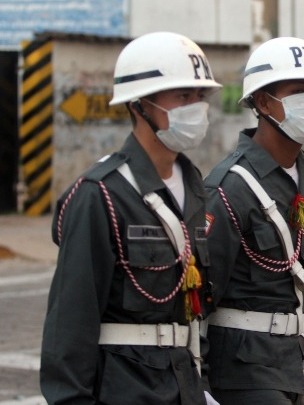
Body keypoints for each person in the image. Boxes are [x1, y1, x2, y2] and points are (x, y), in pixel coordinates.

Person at [40, 32, 221, 404]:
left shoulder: (194, 186)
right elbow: (69, 324)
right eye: (183, 96)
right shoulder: (100, 193)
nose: (197, 107)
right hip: (126, 390)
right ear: (140, 105)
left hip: (183, 388)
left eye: (200, 96)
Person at [203, 37, 304, 405]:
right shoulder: (229, 186)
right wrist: (198, 386)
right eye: (298, 90)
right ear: (263, 102)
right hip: (241, 369)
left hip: (287, 362)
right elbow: (197, 297)